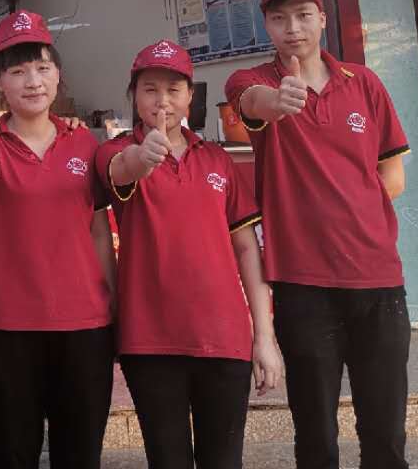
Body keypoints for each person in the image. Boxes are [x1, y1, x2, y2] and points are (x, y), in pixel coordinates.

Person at [224, 0, 411, 469]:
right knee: (315, 433)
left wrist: (351, 211)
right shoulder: (253, 81)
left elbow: (393, 175)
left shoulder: (364, 83)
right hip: (303, 284)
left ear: (323, 19)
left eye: (303, 16)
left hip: (377, 280)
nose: (293, 28)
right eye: (279, 18)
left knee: (386, 431)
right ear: (266, 26)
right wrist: (279, 101)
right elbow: (251, 103)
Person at [100, 38, 284, 469]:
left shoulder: (218, 160)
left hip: (225, 339)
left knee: (224, 461)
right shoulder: (115, 151)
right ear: (133, 96)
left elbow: (247, 249)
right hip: (150, 342)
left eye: (173, 89)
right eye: (150, 89)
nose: (162, 100)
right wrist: (145, 156)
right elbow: (123, 169)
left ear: (190, 97)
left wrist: (264, 336)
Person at [0, 10, 116, 469]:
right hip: (7, 328)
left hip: (84, 326)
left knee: (80, 455)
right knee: (12, 454)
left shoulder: (84, 143)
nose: (33, 81)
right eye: (18, 71)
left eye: (42, 68)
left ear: (58, 74)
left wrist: (115, 306)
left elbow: (99, 232)